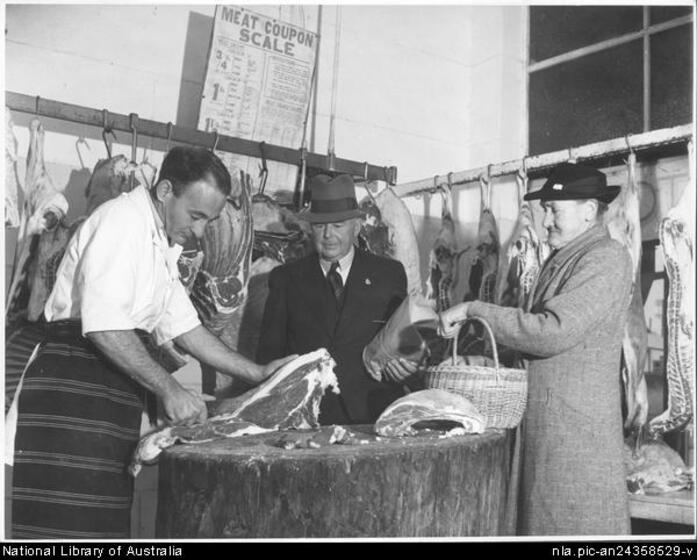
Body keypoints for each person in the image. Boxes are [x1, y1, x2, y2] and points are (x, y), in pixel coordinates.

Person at [11, 146, 293, 539]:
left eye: (208, 221)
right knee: (65, 536)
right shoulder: (122, 222)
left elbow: (186, 329)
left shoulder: (160, 244)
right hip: (72, 393)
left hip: (108, 396)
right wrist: (170, 389)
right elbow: (106, 327)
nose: (199, 231)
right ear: (165, 191)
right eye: (195, 216)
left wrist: (258, 371)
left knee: (103, 532)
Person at [439, 162, 633, 536]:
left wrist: (474, 309)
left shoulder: (605, 258)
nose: (545, 221)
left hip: (576, 443)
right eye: (546, 210)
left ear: (589, 211)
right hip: (549, 435)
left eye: (554, 210)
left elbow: (551, 332)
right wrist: (490, 359)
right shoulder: (564, 258)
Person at [257, 174, 418, 425]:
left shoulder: (389, 274)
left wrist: (406, 368)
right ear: (310, 227)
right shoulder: (286, 279)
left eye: (338, 224)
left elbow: (406, 344)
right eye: (320, 226)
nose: (328, 235)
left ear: (356, 225)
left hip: (373, 415)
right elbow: (268, 357)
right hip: (307, 418)